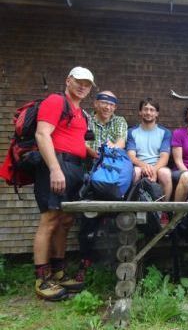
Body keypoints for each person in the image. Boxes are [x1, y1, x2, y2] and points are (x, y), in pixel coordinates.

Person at [33, 66, 95, 301]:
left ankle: (58, 273)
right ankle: (42, 278)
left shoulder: (79, 112)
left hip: (74, 168)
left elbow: (73, 140)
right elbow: (42, 134)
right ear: (68, 80)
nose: (83, 86)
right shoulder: (55, 101)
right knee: (49, 219)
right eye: (79, 81)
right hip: (56, 165)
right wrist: (55, 168)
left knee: (65, 220)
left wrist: (93, 153)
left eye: (87, 84)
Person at [77, 91, 128, 284]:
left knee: (115, 217)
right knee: (87, 218)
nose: (108, 107)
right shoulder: (86, 120)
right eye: (104, 103)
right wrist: (101, 155)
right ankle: (85, 260)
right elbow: (83, 145)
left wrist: (104, 154)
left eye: (111, 104)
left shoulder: (119, 121)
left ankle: (115, 260)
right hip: (90, 174)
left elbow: (120, 143)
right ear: (96, 103)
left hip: (112, 175)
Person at [127, 97, 172, 201]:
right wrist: (144, 166)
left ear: (157, 113)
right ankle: (132, 208)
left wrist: (154, 170)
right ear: (140, 112)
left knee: (165, 173)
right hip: (138, 165)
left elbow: (164, 157)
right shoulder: (131, 132)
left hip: (158, 166)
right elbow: (131, 156)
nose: (148, 112)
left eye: (152, 110)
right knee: (136, 172)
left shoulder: (165, 132)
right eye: (145, 109)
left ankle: (163, 210)